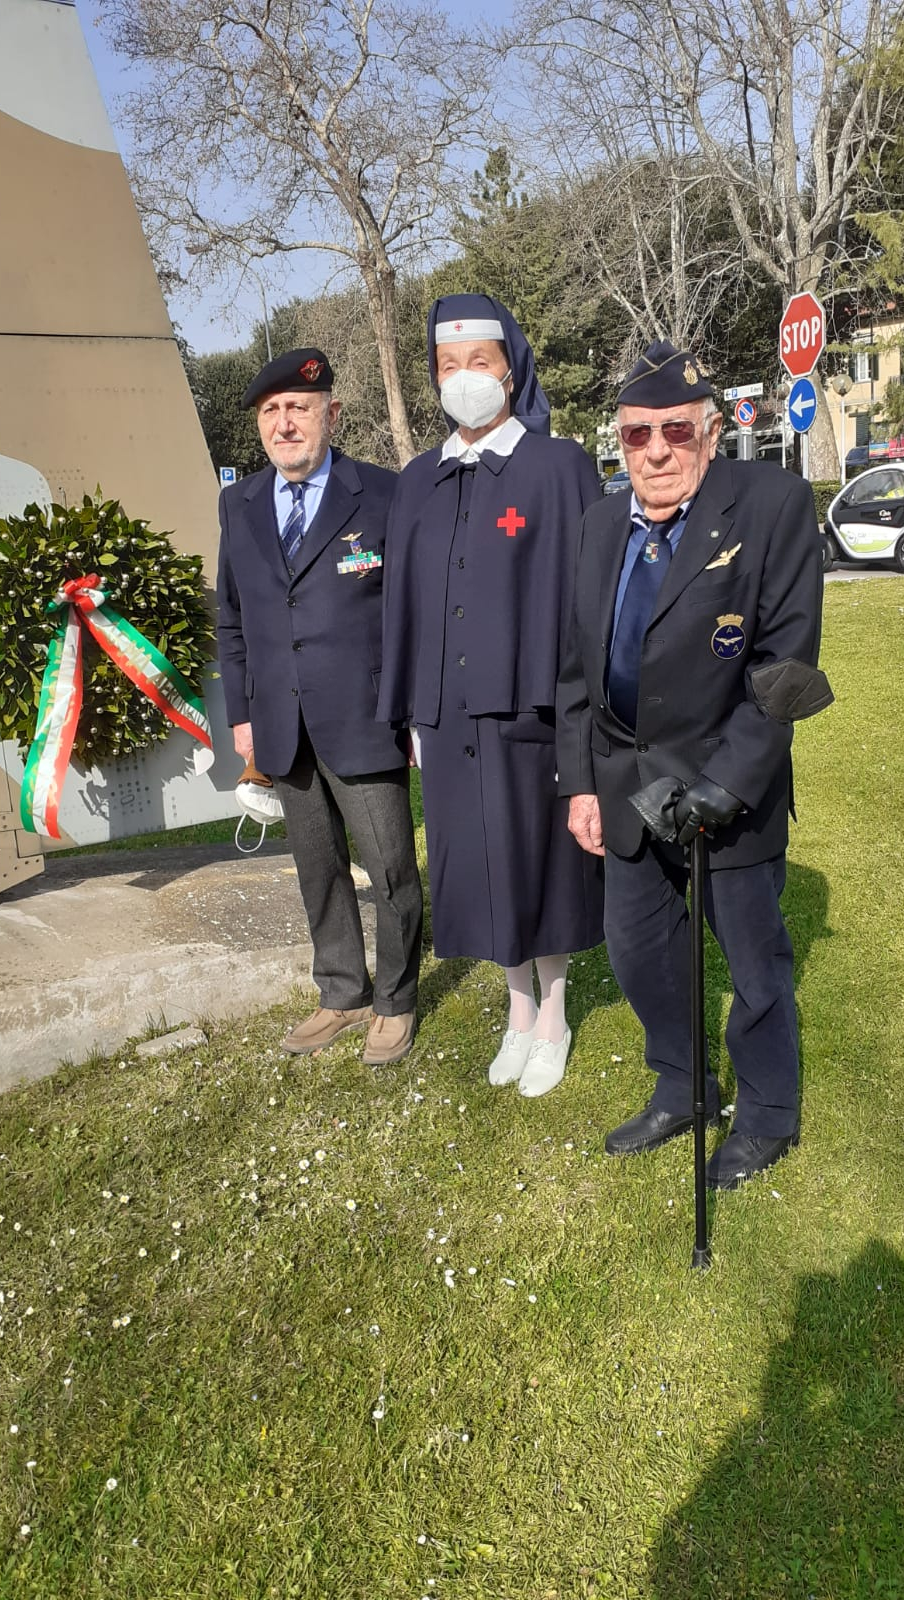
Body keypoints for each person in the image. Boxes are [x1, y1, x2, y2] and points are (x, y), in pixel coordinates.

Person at [557, 340, 831, 1183]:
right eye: (638, 435)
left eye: (676, 430)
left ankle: (769, 1114)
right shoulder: (599, 526)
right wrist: (578, 785)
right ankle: (682, 1087)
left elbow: (784, 666)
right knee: (639, 951)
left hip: (724, 789)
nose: (658, 451)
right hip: (626, 783)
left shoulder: (773, 504)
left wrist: (729, 783)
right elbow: (576, 669)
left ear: (710, 433)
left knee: (753, 969)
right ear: (620, 441)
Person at [377, 295, 604, 1097]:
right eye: (447, 366)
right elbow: (400, 597)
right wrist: (406, 707)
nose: (464, 379)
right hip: (444, 710)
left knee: (538, 859)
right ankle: (515, 1008)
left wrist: (583, 712)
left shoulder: (558, 465)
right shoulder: (419, 479)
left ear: (511, 366)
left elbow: (587, 597)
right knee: (476, 860)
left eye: (479, 361)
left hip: (529, 704)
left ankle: (555, 1010)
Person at [216, 347, 423, 1065]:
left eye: (298, 408)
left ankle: (395, 1000)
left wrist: (411, 708)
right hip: (280, 720)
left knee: (391, 866)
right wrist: (242, 712)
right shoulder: (237, 504)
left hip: (365, 717)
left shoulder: (385, 495)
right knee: (317, 868)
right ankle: (342, 990)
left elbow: (412, 612)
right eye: (271, 412)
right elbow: (232, 618)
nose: (285, 422)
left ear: (331, 413)